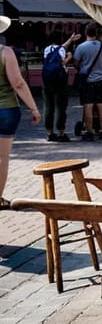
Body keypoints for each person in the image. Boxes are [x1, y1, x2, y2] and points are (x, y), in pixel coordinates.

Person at [0, 15, 42, 210]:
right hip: (6, 110)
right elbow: (17, 82)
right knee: (1, 158)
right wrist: (33, 107)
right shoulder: (5, 52)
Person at [73, 23, 102, 141]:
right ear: (97, 34)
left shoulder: (81, 47)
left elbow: (76, 63)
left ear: (85, 33)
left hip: (88, 81)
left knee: (88, 106)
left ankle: (89, 132)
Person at [42, 32, 80, 142]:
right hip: (60, 80)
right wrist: (69, 57)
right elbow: (63, 62)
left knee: (48, 106)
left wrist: (70, 39)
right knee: (61, 106)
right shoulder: (62, 50)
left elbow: (61, 47)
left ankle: (50, 132)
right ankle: (61, 132)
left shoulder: (47, 49)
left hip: (47, 81)